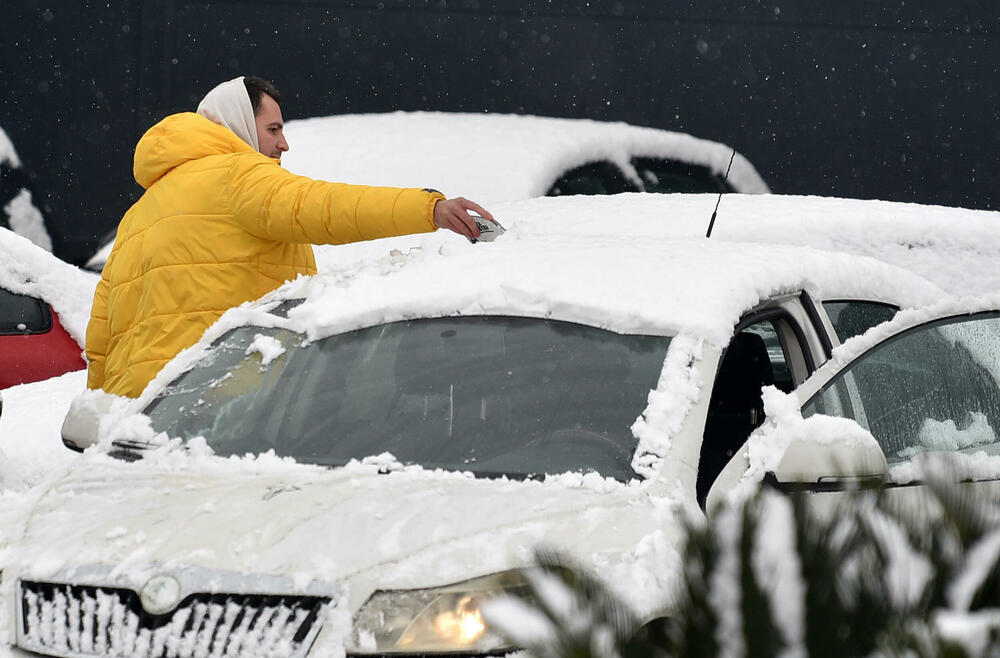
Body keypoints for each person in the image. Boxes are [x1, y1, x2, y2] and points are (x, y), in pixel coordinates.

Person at [86, 76, 494, 398]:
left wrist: (102, 419)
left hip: (142, 414)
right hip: (218, 400)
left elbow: (102, 338)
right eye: (273, 129)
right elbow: (323, 207)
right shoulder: (239, 177)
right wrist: (429, 209)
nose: (284, 143)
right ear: (240, 125)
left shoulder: (137, 216)